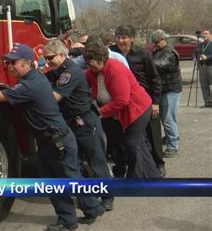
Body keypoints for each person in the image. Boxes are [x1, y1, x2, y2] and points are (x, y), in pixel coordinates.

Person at [0, 43, 105, 230]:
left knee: (69, 179)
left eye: (13, 62)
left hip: (58, 141)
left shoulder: (30, 85)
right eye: (8, 62)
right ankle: (71, 218)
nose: (9, 66)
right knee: (52, 182)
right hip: (50, 141)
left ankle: (89, 210)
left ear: (26, 64)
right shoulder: (35, 78)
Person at [44, 39, 114, 211]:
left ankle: (107, 196)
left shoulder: (70, 72)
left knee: (96, 161)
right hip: (70, 123)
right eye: (45, 59)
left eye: (49, 58)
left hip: (85, 122)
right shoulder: (56, 71)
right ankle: (88, 197)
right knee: (74, 163)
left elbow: (54, 97)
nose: (47, 62)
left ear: (61, 55)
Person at [83, 40, 160, 178]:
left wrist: (100, 112)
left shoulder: (115, 69)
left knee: (132, 144)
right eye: (87, 62)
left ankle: (136, 179)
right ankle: (151, 175)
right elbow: (81, 80)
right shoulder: (93, 72)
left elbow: (122, 100)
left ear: (101, 59)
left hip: (137, 109)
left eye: (91, 62)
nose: (89, 65)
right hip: (116, 113)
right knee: (132, 144)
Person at [110, 24, 164, 178]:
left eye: (124, 37)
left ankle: (159, 164)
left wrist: (155, 102)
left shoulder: (143, 54)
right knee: (131, 139)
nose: (121, 40)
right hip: (124, 102)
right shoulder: (112, 53)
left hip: (145, 101)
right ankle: (134, 167)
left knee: (153, 134)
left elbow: (155, 78)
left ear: (132, 38)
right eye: (118, 37)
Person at [151, 29, 182, 158]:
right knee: (166, 118)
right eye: (154, 43)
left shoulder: (170, 53)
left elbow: (159, 65)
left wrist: (145, 62)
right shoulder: (158, 51)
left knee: (168, 119)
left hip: (171, 90)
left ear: (164, 39)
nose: (155, 45)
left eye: (157, 42)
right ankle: (172, 137)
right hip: (163, 89)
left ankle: (173, 146)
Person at [197, 30, 212, 108]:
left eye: (206, 33)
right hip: (202, 67)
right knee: (204, 85)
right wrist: (194, 57)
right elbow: (194, 53)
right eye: (203, 34)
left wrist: (208, 57)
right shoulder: (200, 45)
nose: (204, 35)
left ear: (210, 35)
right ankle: (207, 102)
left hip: (210, 66)